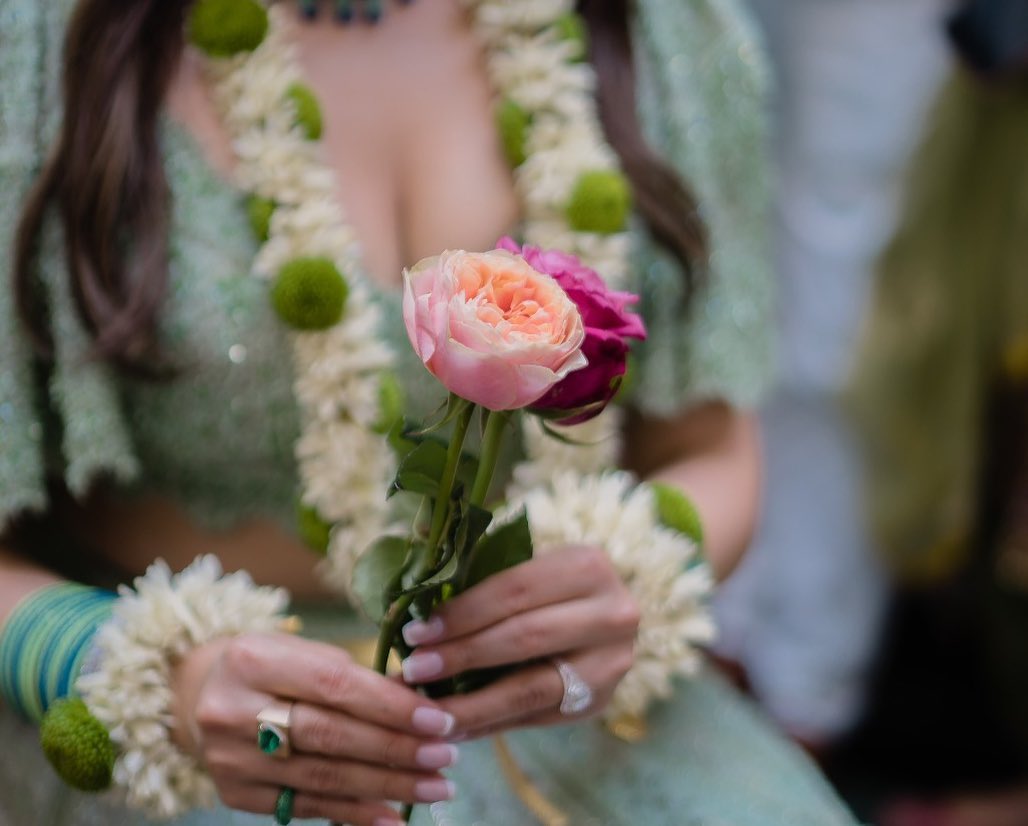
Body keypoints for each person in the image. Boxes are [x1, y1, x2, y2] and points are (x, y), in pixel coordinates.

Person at [0, 0, 857, 824]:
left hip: (565, 730)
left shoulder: (656, 25)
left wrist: (629, 583)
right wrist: (139, 678)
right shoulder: (33, 40)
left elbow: (712, 451)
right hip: (184, 764)